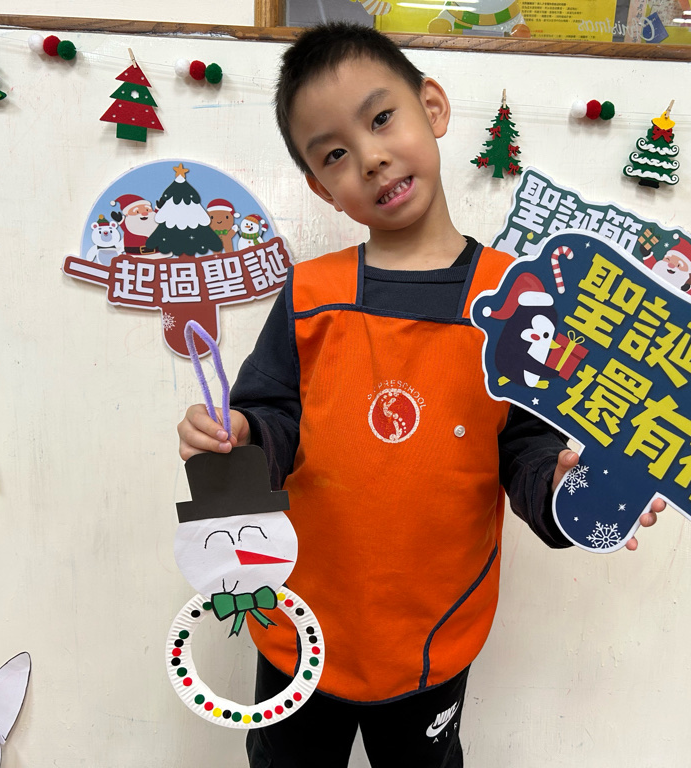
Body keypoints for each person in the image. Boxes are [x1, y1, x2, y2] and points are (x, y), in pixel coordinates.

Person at [177, 22, 663, 768]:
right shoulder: (309, 294)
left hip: (436, 630)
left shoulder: (515, 301)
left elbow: (527, 448)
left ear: (431, 107)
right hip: (299, 625)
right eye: (334, 154)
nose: (369, 157)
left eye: (381, 119)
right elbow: (273, 417)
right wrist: (236, 435)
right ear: (321, 189)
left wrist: (568, 491)